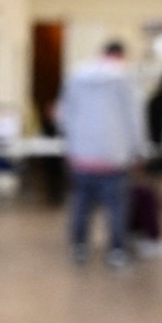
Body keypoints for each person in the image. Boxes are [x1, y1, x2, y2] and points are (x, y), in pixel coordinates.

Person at [55, 39, 147, 269]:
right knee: (116, 207)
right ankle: (116, 251)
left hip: (81, 154)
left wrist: (72, 142)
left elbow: (63, 114)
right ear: (121, 54)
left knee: (81, 203)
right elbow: (135, 118)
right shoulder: (126, 77)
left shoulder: (77, 74)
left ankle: (79, 247)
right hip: (114, 156)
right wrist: (139, 150)